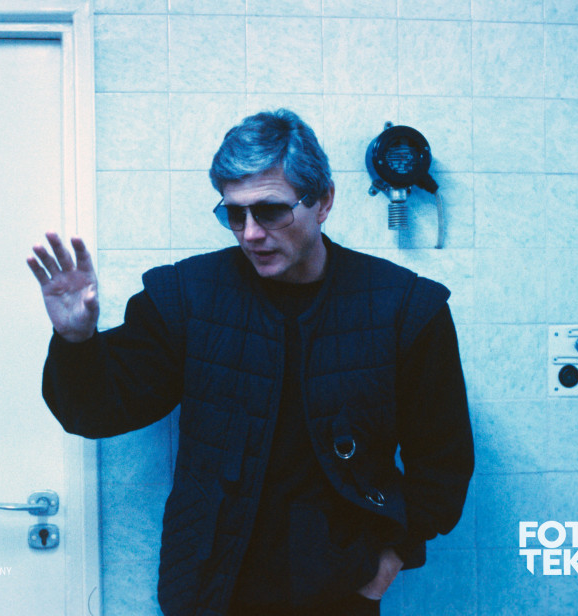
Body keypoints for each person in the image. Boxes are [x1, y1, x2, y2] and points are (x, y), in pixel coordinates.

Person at [28, 109, 474, 616]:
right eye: (234, 214)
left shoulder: (405, 309)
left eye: (270, 211)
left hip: (340, 593)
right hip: (209, 590)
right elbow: (97, 412)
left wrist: (387, 565)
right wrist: (76, 341)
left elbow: (442, 462)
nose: (250, 233)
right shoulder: (185, 297)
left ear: (324, 201)